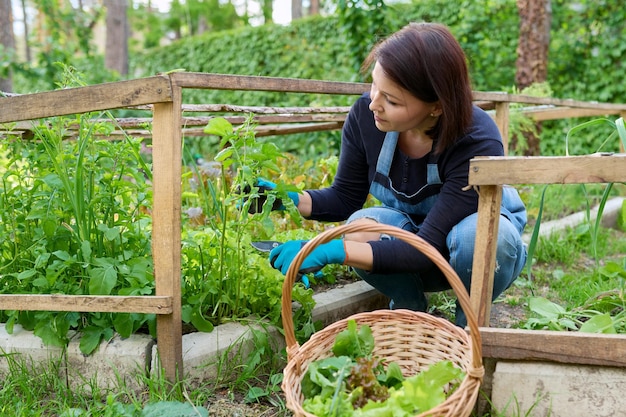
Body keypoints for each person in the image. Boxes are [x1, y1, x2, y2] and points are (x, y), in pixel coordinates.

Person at [266, 22, 527, 327]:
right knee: (355, 227)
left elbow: (425, 247)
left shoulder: (476, 140)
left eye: (391, 100)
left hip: (468, 257)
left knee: (476, 236)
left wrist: (333, 250)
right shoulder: (366, 116)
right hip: (408, 248)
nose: (374, 103)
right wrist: (284, 199)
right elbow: (345, 198)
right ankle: (409, 311)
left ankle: (468, 327)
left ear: (436, 108)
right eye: (375, 85)